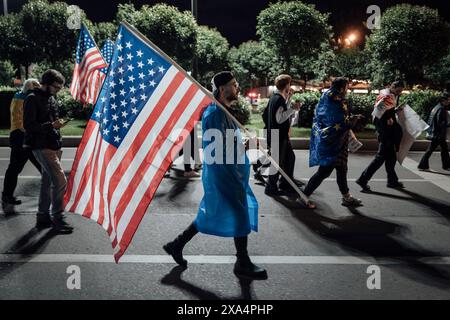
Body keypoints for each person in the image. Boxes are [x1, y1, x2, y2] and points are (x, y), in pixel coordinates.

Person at [163, 71, 267, 280]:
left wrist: (245, 146)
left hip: (232, 174)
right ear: (222, 89)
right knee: (239, 214)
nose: (237, 87)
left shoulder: (223, 111)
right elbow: (219, 151)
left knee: (213, 212)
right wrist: (244, 148)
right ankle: (242, 262)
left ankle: (177, 244)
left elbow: (229, 145)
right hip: (224, 175)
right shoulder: (215, 113)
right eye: (234, 84)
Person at [23, 69, 72, 232]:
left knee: (47, 182)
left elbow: (51, 121)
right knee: (60, 181)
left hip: (54, 144)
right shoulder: (31, 98)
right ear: (46, 84)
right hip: (41, 146)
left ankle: (43, 217)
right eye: (56, 87)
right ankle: (58, 217)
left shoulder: (51, 98)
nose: (58, 90)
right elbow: (29, 126)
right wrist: (51, 125)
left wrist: (58, 124)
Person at [302, 77, 363, 208]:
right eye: (347, 87)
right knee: (324, 171)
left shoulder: (328, 95)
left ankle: (346, 197)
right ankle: (304, 195)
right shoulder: (335, 98)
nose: (348, 89)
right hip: (333, 143)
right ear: (342, 87)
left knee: (341, 170)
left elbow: (332, 117)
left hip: (336, 140)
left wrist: (350, 119)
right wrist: (351, 122)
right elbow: (337, 120)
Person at [356, 80, 405, 191]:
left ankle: (392, 181)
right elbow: (377, 116)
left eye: (400, 92)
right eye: (398, 91)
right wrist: (386, 122)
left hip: (388, 133)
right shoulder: (387, 97)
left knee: (391, 158)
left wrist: (394, 111)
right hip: (386, 134)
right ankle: (363, 179)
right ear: (393, 86)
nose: (399, 93)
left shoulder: (389, 95)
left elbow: (384, 112)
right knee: (380, 158)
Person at [2, 79, 42, 208]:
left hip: (19, 135)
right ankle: (54, 195)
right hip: (22, 136)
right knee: (43, 166)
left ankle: (7, 196)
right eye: (37, 86)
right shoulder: (25, 99)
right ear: (31, 87)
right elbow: (22, 121)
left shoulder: (19, 97)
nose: (39, 88)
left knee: (16, 168)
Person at [262, 74, 301, 196]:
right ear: (287, 85)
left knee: (289, 158)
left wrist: (288, 99)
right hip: (278, 136)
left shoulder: (275, 97)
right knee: (277, 162)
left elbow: (268, 114)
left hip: (276, 135)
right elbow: (279, 118)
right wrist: (293, 109)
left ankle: (286, 183)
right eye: (289, 84)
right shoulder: (278, 99)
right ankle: (271, 187)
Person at [418, 93, 450, 171]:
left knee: (444, 150)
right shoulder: (441, 109)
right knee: (431, 150)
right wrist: (448, 124)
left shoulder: (436, 107)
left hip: (436, 133)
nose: (449, 101)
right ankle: (422, 165)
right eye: (448, 100)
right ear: (443, 100)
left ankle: (446, 165)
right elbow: (440, 122)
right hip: (438, 134)